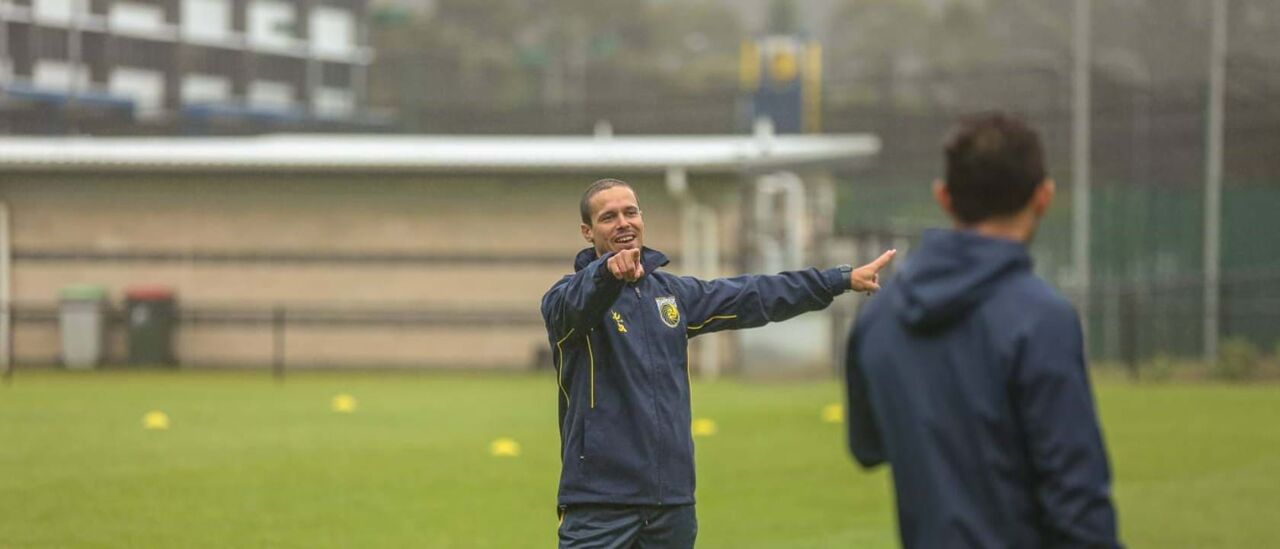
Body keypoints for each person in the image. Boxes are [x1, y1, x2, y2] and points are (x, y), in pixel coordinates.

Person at [542, 178, 895, 548]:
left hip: (671, 503)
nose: (623, 223)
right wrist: (607, 275)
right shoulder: (566, 300)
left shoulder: (670, 295)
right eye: (608, 217)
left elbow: (752, 295)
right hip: (600, 502)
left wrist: (837, 280)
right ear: (587, 232)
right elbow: (575, 305)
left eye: (630, 212)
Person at [844, 113, 1121, 548]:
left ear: (944, 197)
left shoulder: (878, 318)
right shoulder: (1041, 319)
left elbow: (867, 448)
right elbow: (1078, 499)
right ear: (1043, 197)